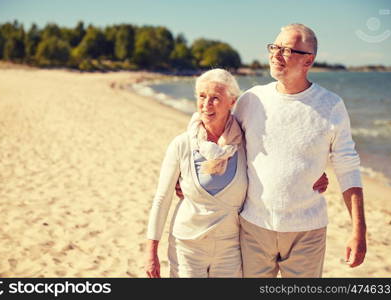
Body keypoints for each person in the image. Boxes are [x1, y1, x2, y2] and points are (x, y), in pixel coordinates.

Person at [145, 69, 329, 278]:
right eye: (202, 97)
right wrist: (151, 252)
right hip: (187, 247)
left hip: (230, 248)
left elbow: (281, 162)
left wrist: (313, 174)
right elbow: (162, 199)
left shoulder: (245, 143)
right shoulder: (182, 145)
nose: (206, 105)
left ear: (232, 102)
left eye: (215, 98)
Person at [234, 23, 367, 278]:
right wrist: (190, 178)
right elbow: (223, 144)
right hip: (254, 226)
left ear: (309, 60)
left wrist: (358, 232)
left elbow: (348, 168)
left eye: (286, 50)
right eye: (274, 47)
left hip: (308, 231)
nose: (275, 54)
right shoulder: (250, 100)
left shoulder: (331, 106)